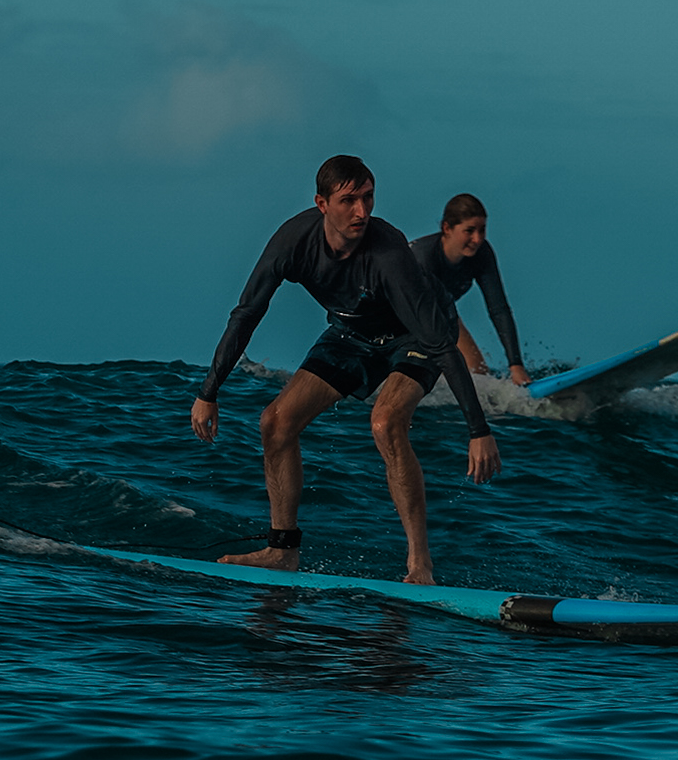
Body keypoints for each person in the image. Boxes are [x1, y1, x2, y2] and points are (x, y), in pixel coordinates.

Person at [189, 154, 502, 584]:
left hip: (417, 337)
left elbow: (440, 344)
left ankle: (420, 565)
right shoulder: (292, 242)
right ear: (322, 203)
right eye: (349, 200)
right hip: (352, 333)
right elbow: (247, 312)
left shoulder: (387, 251)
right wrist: (209, 391)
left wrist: (478, 431)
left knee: (386, 421)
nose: (362, 211)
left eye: (369, 198)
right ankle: (282, 551)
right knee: (275, 422)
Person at [412, 193, 528, 388]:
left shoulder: (481, 254)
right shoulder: (423, 258)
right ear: (447, 228)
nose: (477, 238)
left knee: (478, 374)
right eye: (469, 231)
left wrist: (515, 365)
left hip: (441, 312)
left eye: (482, 230)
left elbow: (498, 309)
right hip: (397, 314)